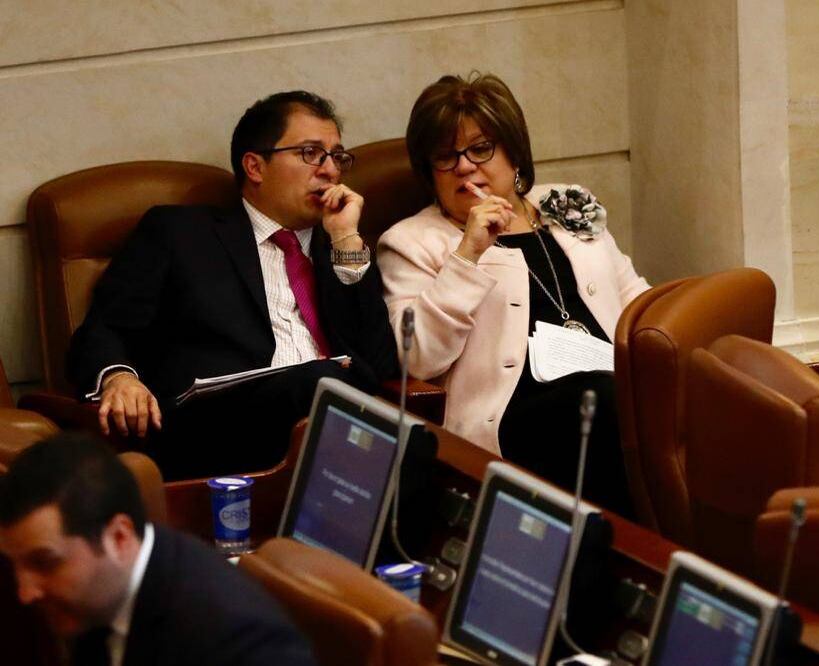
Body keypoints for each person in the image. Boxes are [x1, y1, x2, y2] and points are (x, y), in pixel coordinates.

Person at [68, 90, 399, 479]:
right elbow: (104, 328)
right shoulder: (181, 234)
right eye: (310, 153)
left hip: (330, 424)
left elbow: (380, 366)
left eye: (337, 157)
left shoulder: (340, 249)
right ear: (255, 166)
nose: (329, 170)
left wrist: (346, 241)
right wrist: (119, 377)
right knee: (324, 385)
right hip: (214, 430)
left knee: (400, 435)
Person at [377, 73, 650, 516]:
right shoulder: (411, 242)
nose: (464, 166)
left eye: (480, 148)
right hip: (511, 414)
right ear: (429, 172)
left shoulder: (567, 203)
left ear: (514, 152)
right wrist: (468, 254)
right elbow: (418, 358)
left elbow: (635, 298)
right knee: (603, 402)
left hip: (614, 386)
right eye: (446, 156)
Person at [0, 433, 316, 666]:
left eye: (45, 562)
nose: (25, 592)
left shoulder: (237, 643)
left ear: (119, 538)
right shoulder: (94, 596)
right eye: (15, 565)